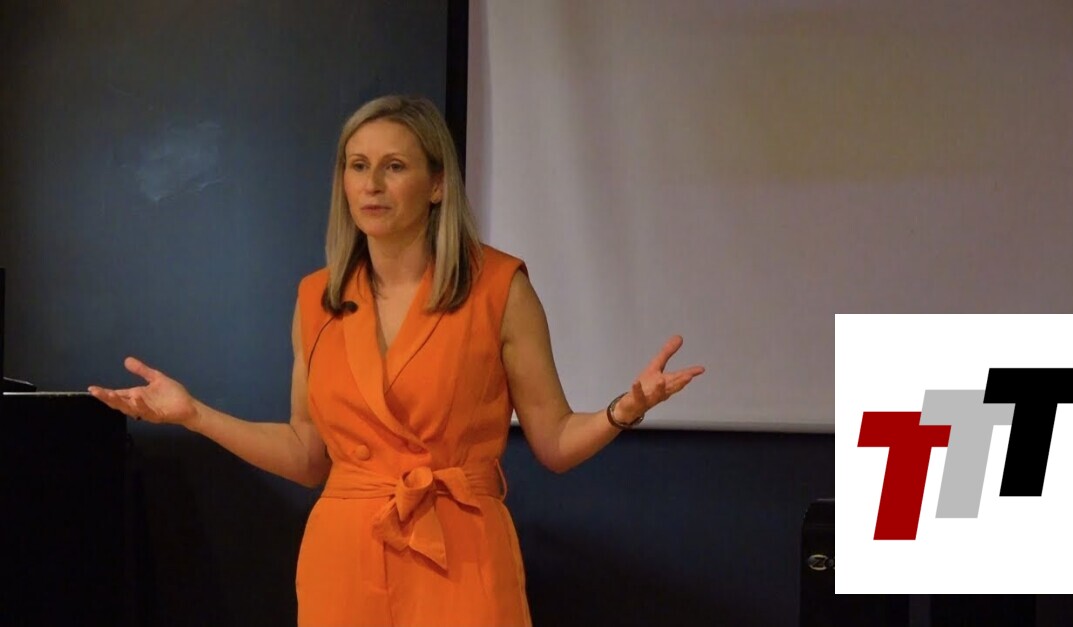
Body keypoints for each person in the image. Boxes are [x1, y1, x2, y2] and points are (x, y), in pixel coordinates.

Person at [88, 95, 705, 626]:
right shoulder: (317, 297)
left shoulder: (499, 287)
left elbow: (556, 443)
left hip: (462, 555)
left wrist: (624, 410)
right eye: (358, 166)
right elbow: (308, 455)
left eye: (394, 166)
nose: (372, 185)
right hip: (344, 561)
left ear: (437, 185)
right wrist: (195, 415)